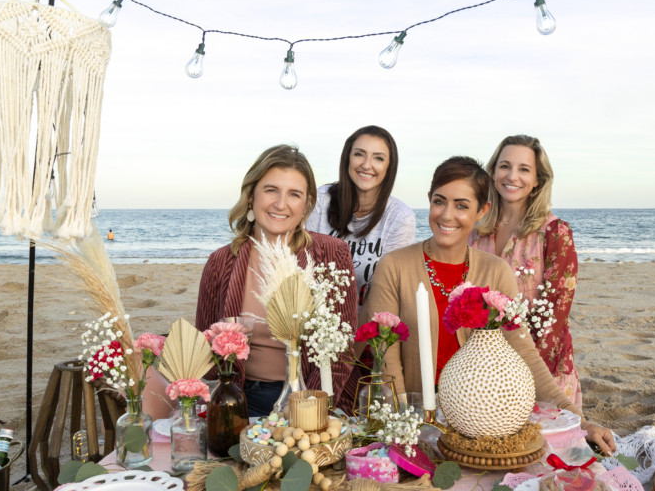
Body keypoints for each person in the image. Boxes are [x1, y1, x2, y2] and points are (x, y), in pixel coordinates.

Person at [362, 156, 615, 455]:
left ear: (482, 210)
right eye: (439, 201)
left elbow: (523, 352)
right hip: (413, 423)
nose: (447, 215)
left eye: (462, 205)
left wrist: (579, 420)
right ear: (429, 200)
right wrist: (405, 424)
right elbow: (386, 358)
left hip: (481, 424)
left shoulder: (495, 271)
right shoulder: (394, 266)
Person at [143, 145, 357, 419]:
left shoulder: (331, 253)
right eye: (271, 190)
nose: (281, 203)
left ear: (306, 205)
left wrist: (307, 410)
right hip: (245, 399)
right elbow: (209, 355)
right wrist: (158, 347)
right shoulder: (220, 262)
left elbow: (340, 350)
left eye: (294, 194)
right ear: (251, 196)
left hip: (316, 396)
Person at [471, 134, 583, 410]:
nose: (512, 176)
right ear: (494, 171)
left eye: (524, 169)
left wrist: (520, 373)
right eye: (505, 166)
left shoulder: (555, 232)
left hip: (540, 369)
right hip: (480, 368)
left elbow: (556, 315)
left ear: (537, 180)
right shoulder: (474, 230)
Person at [306, 126, 416, 306]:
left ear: (389, 167)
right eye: (359, 154)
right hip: (311, 320)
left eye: (378, 158)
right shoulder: (320, 201)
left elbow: (390, 290)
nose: (366, 165)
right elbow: (302, 268)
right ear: (347, 158)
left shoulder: (400, 218)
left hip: (368, 327)